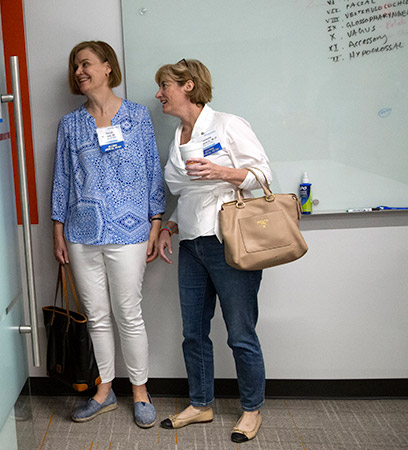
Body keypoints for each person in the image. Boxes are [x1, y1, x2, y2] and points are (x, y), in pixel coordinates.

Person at [153, 59, 270, 443]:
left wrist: (222, 172)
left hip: (229, 242)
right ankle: (201, 404)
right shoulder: (178, 135)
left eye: (164, 85)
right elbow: (185, 190)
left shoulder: (229, 125)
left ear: (188, 85)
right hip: (191, 244)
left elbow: (264, 176)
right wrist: (170, 225)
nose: (159, 94)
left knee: (240, 333)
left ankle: (251, 410)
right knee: (193, 333)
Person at [51, 40, 166, 428]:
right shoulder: (70, 124)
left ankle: (140, 390)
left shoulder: (137, 116)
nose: (79, 71)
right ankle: (104, 390)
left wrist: (155, 221)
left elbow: (153, 168)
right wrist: (58, 229)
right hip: (82, 232)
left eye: (85, 64)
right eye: (75, 66)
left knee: (128, 314)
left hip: (131, 230)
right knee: (97, 316)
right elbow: (62, 178)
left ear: (107, 68)